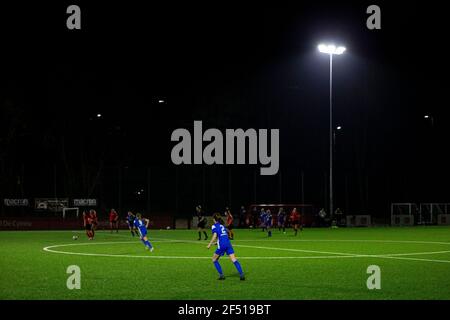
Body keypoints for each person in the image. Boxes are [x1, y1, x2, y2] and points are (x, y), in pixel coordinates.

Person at [207, 213, 245, 281]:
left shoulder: (214, 226)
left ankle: (221, 275)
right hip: (228, 243)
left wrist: (210, 244)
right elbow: (224, 235)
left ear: (214, 219)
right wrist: (217, 242)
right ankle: (241, 274)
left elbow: (215, 235)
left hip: (222, 244)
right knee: (234, 260)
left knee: (214, 259)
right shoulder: (222, 225)